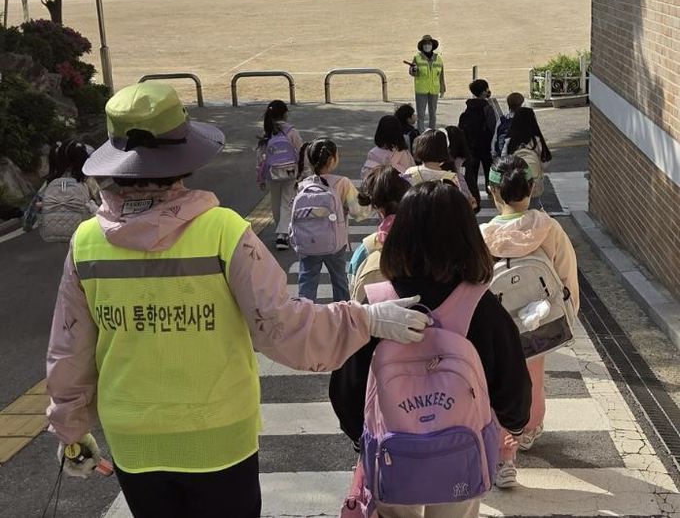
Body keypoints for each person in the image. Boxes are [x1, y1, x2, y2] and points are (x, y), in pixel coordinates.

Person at [45, 82, 431, 518]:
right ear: (183, 156)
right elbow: (281, 326)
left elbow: (69, 348)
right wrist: (366, 320)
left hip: (133, 439)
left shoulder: (87, 243)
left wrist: (70, 431)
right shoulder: (223, 232)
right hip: (219, 433)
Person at [329, 181, 531, 515]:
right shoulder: (478, 304)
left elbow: (346, 384)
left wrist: (359, 436)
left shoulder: (379, 303)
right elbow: (511, 377)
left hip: (392, 449)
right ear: (467, 237)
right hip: (462, 448)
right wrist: (515, 423)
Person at [480, 156, 579, 488]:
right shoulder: (549, 229)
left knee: (498, 386)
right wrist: (566, 315)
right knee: (533, 378)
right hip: (539, 320)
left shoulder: (483, 236)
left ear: (492, 191)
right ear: (532, 188)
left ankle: (504, 457)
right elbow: (566, 275)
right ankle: (529, 429)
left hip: (497, 329)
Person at [294, 138, 371, 302]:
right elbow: (359, 213)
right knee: (339, 281)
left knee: (306, 282)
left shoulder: (303, 185)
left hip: (308, 242)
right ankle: (342, 312)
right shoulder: (343, 183)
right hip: (335, 243)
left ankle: (304, 313)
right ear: (331, 160)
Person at [348, 165, 411, 303]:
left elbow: (354, 290)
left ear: (377, 207)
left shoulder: (366, 249)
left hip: (375, 313)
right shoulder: (425, 239)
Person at [26, 140, 100, 242]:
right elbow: (100, 202)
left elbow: (32, 209)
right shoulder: (86, 180)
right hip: (88, 231)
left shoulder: (51, 182)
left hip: (62, 233)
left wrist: (27, 224)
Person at [256, 99, 304, 251]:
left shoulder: (268, 132)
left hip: (272, 173)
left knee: (275, 202)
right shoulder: (291, 132)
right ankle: (282, 234)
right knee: (287, 201)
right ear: (285, 114)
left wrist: (260, 177)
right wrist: (304, 171)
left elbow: (261, 157)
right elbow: (301, 150)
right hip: (290, 172)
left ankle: (280, 232)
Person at [458, 79, 497, 211]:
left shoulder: (468, 108)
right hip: (486, 145)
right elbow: (493, 127)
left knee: (472, 172)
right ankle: (490, 192)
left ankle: (472, 195)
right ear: (485, 91)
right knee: (488, 170)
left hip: (471, 147)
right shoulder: (487, 108)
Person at [409, 34, 446, 132]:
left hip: (434, 90)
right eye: (425, 44)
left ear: (432, 45)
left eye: (429, 43)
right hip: (421, 90)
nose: (427, 45)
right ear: (422, 46)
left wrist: (442, 89)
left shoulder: (438, 58)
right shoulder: (417, 57)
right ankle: (421, 133)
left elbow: (441, 75)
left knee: (433, 114)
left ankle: (432, 133)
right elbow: (412, 72)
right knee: (421, 114)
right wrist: (414, 69)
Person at [360, 115, 415, 180]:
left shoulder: (372, 153)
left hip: (378, 185)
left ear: (379, 132)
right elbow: (410, 176)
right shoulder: (403, 153)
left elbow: (365, 176)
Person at [443, 125, 477, 209]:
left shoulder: (442, 160)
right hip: (465, 199)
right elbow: (469, 181)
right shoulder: (465, 159)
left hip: (447, 199)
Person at [492, 92, 524, 157]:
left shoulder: (502, 119)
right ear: (521, 105)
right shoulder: (525, 119)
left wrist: (493, 153)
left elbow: (495, 138)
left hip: (502, 157)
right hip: (519, 157)